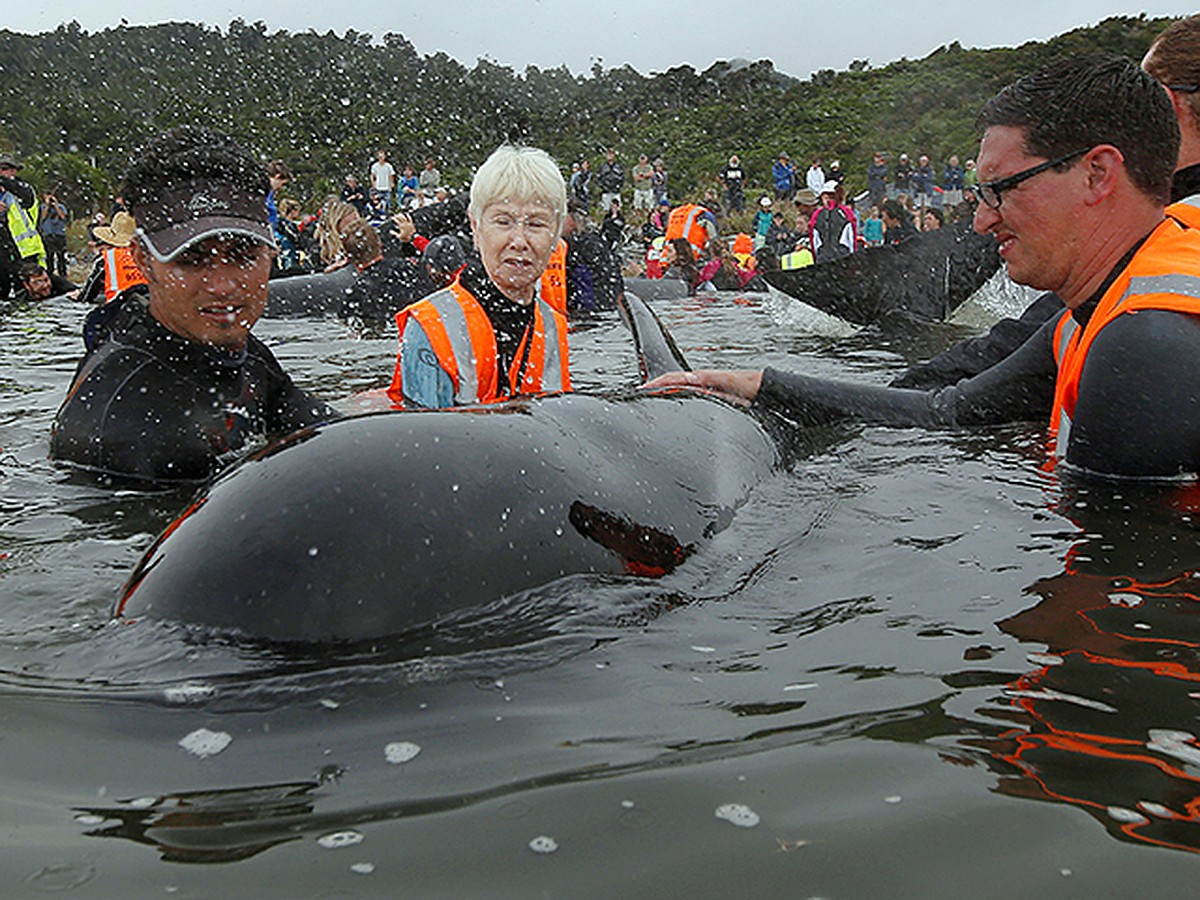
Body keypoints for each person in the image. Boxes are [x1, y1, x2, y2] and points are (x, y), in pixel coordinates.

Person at [645, 55, 1200, 481]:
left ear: (1097, 175)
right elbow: (951, 412)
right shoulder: (1089, 312)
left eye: (1000, 191)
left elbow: (1124, 598)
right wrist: (764, 386)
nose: (981, 222)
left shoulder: (1145, 345)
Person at [50, 126, 334, 486]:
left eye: (244, 255)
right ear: (142, 259)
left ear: (271, 251)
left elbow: (323, 429)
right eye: (191, 259)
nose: (223, 285)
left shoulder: (228, 348)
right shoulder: (124, 431)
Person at [386, 144, 571, 409]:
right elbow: (422, 445)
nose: (519, 240)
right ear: (475, 225)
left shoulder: (554, 326)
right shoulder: (432, 327)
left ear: (555, 236)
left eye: (536, 224)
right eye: (503, 221)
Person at [77, 211, 149, 304]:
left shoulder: (106, 258)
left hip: (117, 307)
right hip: (148, 304)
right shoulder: (150, 256)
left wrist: (79, 296)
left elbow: (89, 293)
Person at [0, 153, 44, 300]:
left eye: (9, 169)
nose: (7, 172)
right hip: (3, 251)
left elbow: (26, 197)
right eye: (3, 168)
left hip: (24, 251)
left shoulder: (22, 189)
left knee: (29, 294)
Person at [809, 181, 857, 263]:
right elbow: (852, 240)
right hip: (843, 258)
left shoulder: (817, 214)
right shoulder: (846, 213)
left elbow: (813, 241)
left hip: (823, 259)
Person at [39, 191, 69, 278]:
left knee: (61, 256)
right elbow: (43, 217)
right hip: (48, 234)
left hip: (59, 234)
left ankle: (63, 273)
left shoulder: (61, 207)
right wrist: (48, 205)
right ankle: (50, 273)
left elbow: (63, 217)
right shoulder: (42, 207)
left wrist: (56, 205)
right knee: (49, 256)